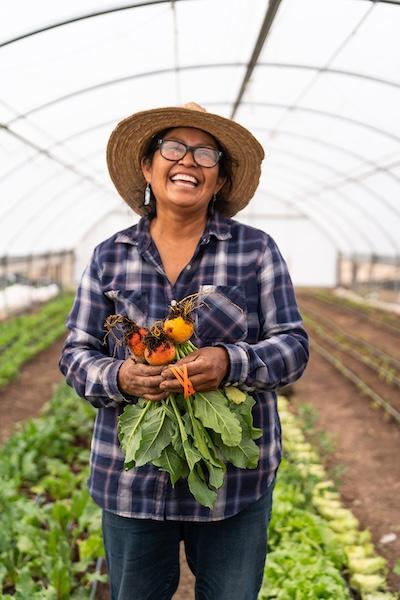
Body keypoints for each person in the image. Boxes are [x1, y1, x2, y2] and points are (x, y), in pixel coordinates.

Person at [59, 102, 309, 600]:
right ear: (147, 169)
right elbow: (76, 352)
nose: (188, 162)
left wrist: (230, 363)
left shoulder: (256, 250)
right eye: (173, 148)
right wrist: (120, 377)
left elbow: (293, 346)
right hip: (130, 481)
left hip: (232, 485)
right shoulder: (111, 255)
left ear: (219, 181)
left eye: (206, 155)